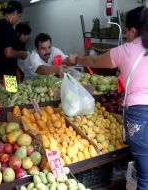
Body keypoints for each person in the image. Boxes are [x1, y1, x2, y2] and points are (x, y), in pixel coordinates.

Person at [65, 6, 148, 190]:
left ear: (133, 30)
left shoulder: (126, 50)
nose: (126, 35)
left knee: (145, 176)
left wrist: (76, 58)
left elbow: (94, 61)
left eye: (126, 30)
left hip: (140, 115)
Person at [0, 1, 27, 80]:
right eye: (19, 16)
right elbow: (8, 53)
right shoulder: (8, 27)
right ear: (15, 13)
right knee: (10, 92)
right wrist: (22, 53)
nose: (18, 20)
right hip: (7, 75)